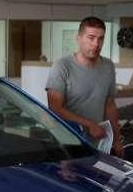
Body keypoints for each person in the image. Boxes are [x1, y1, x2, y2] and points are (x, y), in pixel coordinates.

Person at [45, 16, 124, 157]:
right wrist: (89, 124)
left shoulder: (108, 66)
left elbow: (110, 105)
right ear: (79, 38)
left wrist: (117, 139)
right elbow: (55, 108)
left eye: (101, 39)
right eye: (91, 38)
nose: (96, 44)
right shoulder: (62, 66)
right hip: (68, 144)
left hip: (99, 144)